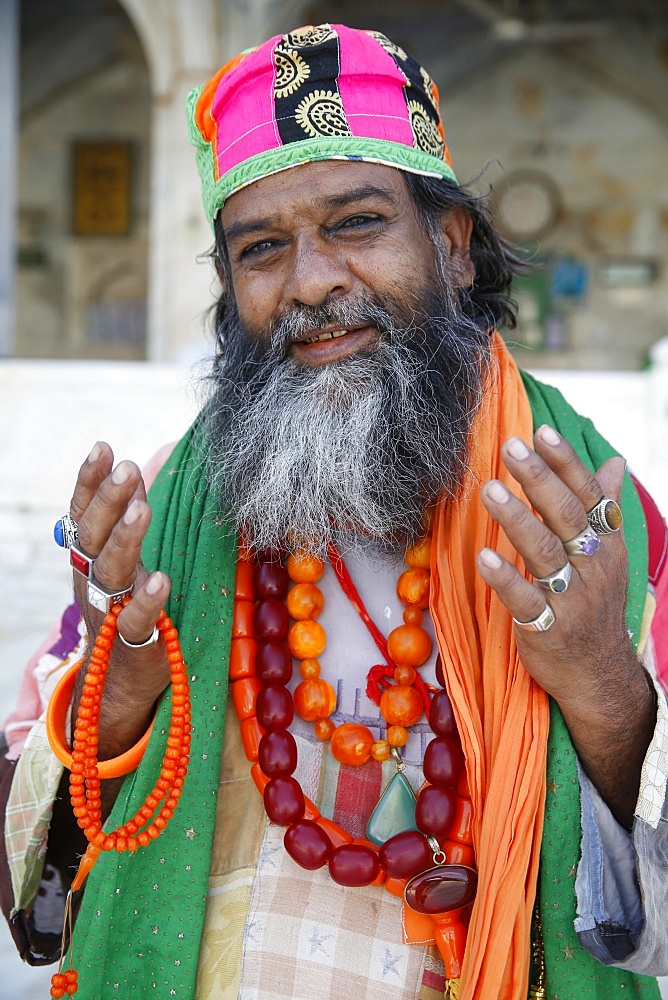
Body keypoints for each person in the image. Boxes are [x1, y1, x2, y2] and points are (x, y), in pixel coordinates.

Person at [2, 22, 668, 1000]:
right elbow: (35, 885)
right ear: (232, 289)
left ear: (450, 247)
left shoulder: (594, 520)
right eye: (262, 248)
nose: (311, 282)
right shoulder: (161, 514)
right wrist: (122, 684)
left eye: (355, 224)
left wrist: (603, 686)